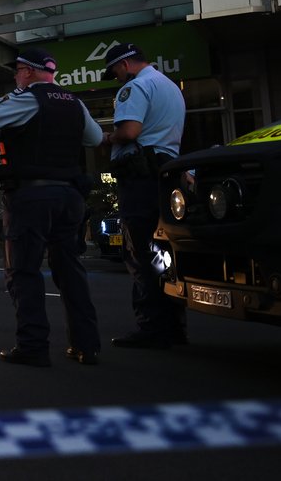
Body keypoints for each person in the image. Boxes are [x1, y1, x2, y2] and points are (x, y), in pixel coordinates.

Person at [0, 49, 104, 366]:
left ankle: (33, 345)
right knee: (70, 270)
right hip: (69, 197)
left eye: (17, 72)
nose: (15, 77)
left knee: (24, 271)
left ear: (27, 72)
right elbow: (95, 139)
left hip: (31, 197)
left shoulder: (28, 100)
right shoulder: (74, 103)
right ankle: (87, 345)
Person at [101, 43, 187, 349]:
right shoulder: (169, 86)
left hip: (140, 177)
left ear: (124, 65)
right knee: (165, 252)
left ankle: (151, 326)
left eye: (114, 72)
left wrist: (107, 137)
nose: (115, 78)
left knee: (139, 252)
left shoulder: (135, 87)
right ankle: (174, 324)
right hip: (166, 173)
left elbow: (129, 131)